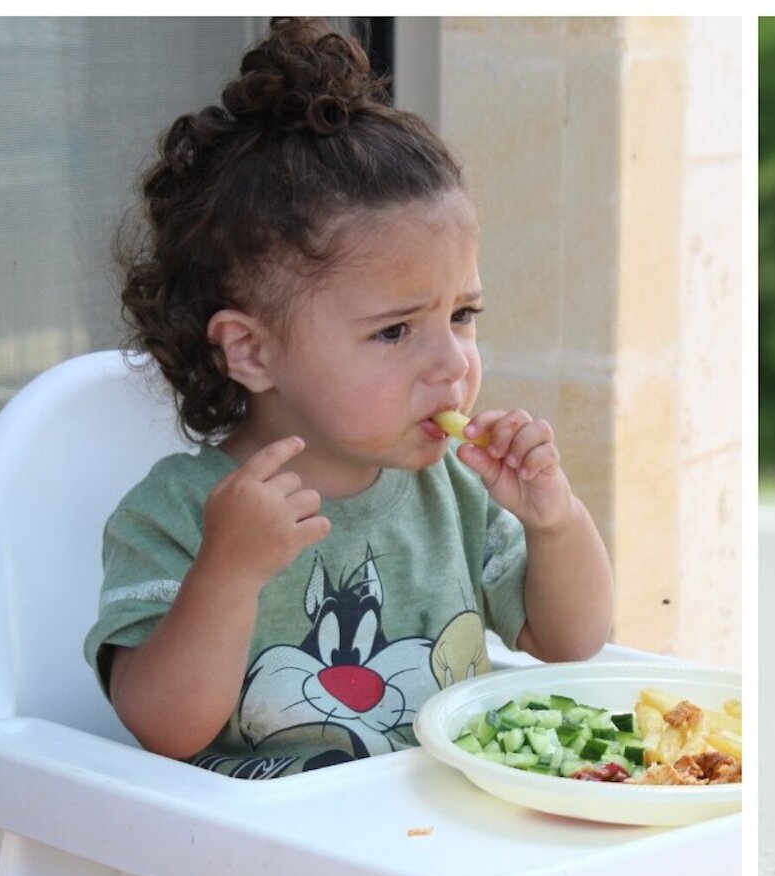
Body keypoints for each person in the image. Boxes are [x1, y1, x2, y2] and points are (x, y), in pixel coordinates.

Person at [84, 18, 614, 780]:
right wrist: (227, 575)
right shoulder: (175, 515)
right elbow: (165, 728)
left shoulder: (454, 490)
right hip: (272, 868)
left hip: (437, 833)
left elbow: (570, 640)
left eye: (462, 316)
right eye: (396, 331)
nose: (452, 364)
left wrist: (555, 521)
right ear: (253, 351)